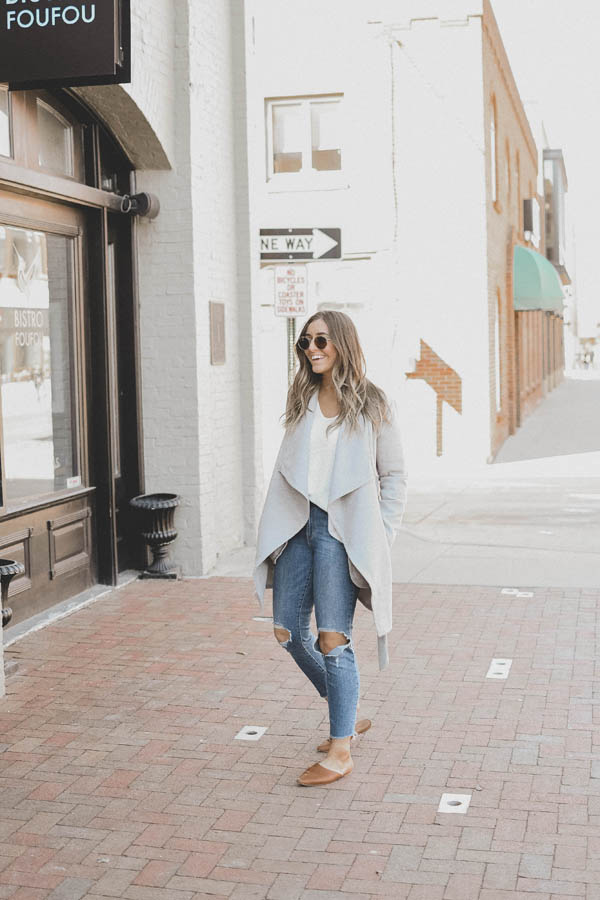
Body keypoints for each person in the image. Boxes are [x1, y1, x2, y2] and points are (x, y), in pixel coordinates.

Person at [254, 310, 407, 786]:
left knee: (333, 639)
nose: (312, 349)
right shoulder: (302, 399)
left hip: (341, 531)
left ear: (342, 342)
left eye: (321, 340)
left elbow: (394, 476)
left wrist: (379, 534)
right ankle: (346, 708)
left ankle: (341, 749)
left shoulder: (372, 403)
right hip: (299, 525)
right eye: (305, 343)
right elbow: (288, 471)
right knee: (287, 631)